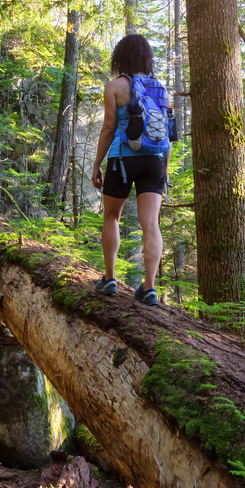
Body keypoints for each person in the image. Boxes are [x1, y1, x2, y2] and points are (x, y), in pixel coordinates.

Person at [91, 34, 169, 307]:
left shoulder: (115, 86)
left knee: (112, 217)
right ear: (146, 57)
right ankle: (149, 288)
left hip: (123, 159)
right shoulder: (159, 88)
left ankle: (109, 279)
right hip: (154, 161)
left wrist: (97, 163)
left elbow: (109, 127)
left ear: (120, 57)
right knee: (150, 224)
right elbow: (166, 133)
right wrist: (164, 168)